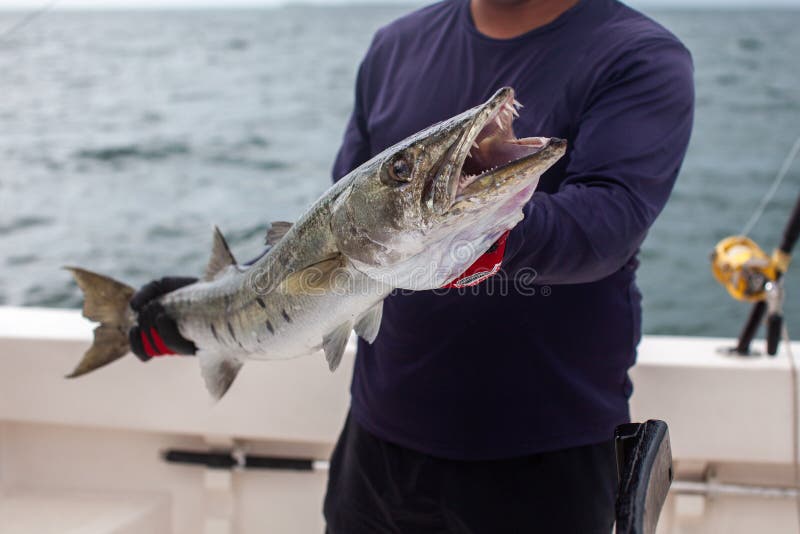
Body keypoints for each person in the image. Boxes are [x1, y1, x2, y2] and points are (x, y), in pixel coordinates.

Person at [130, 0, 694, 531]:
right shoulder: (394, 46)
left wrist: (479, 232)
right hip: (378, 443)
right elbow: (335, 229)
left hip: (548, 455)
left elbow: (608, 224)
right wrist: (212, 303)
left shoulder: (638, 56)